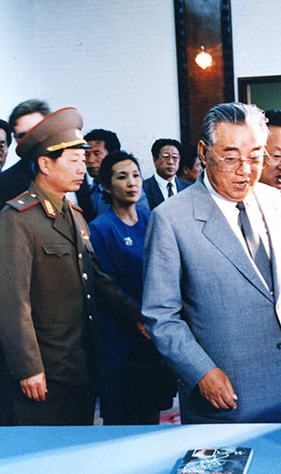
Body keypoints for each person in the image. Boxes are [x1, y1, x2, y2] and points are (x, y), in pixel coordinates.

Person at [142, 102, 281, 424]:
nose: (245, 170)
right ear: (203, 152)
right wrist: (201, 371)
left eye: (256, 156)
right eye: (230, 158)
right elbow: (161, 316)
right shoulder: (171, 219)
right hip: (225, 390)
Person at [0, 108, 145, 425]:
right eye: (74, 161)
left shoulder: (74, 216)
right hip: (44, 373)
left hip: (80, 366)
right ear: (46, 164)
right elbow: (11, 302)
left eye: (84, 160)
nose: (83, 168)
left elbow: (97, 280)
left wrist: (137, 317)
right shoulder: (17, 220)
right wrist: (28, 367)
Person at [89, 151, 174, 425]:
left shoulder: (153, 219)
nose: (131, 182)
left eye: (136, 175)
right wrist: (137, 318)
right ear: (106, 186)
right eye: (122, 177)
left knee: (151, 409)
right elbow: (105, 285)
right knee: (121, 414)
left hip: (155, 330)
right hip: (121, 334)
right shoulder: (100, 227)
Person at [84, 128, 149, 217]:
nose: (90, 160)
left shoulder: (132, 191)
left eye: (97, 154)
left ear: (112, 156)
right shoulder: (83, 190)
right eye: (86, 155)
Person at [142, 138, 191, 210]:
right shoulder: (143, 188)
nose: (171, 162)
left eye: (175, 157)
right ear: (155, 160)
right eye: (166, 157)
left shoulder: (188, 187)